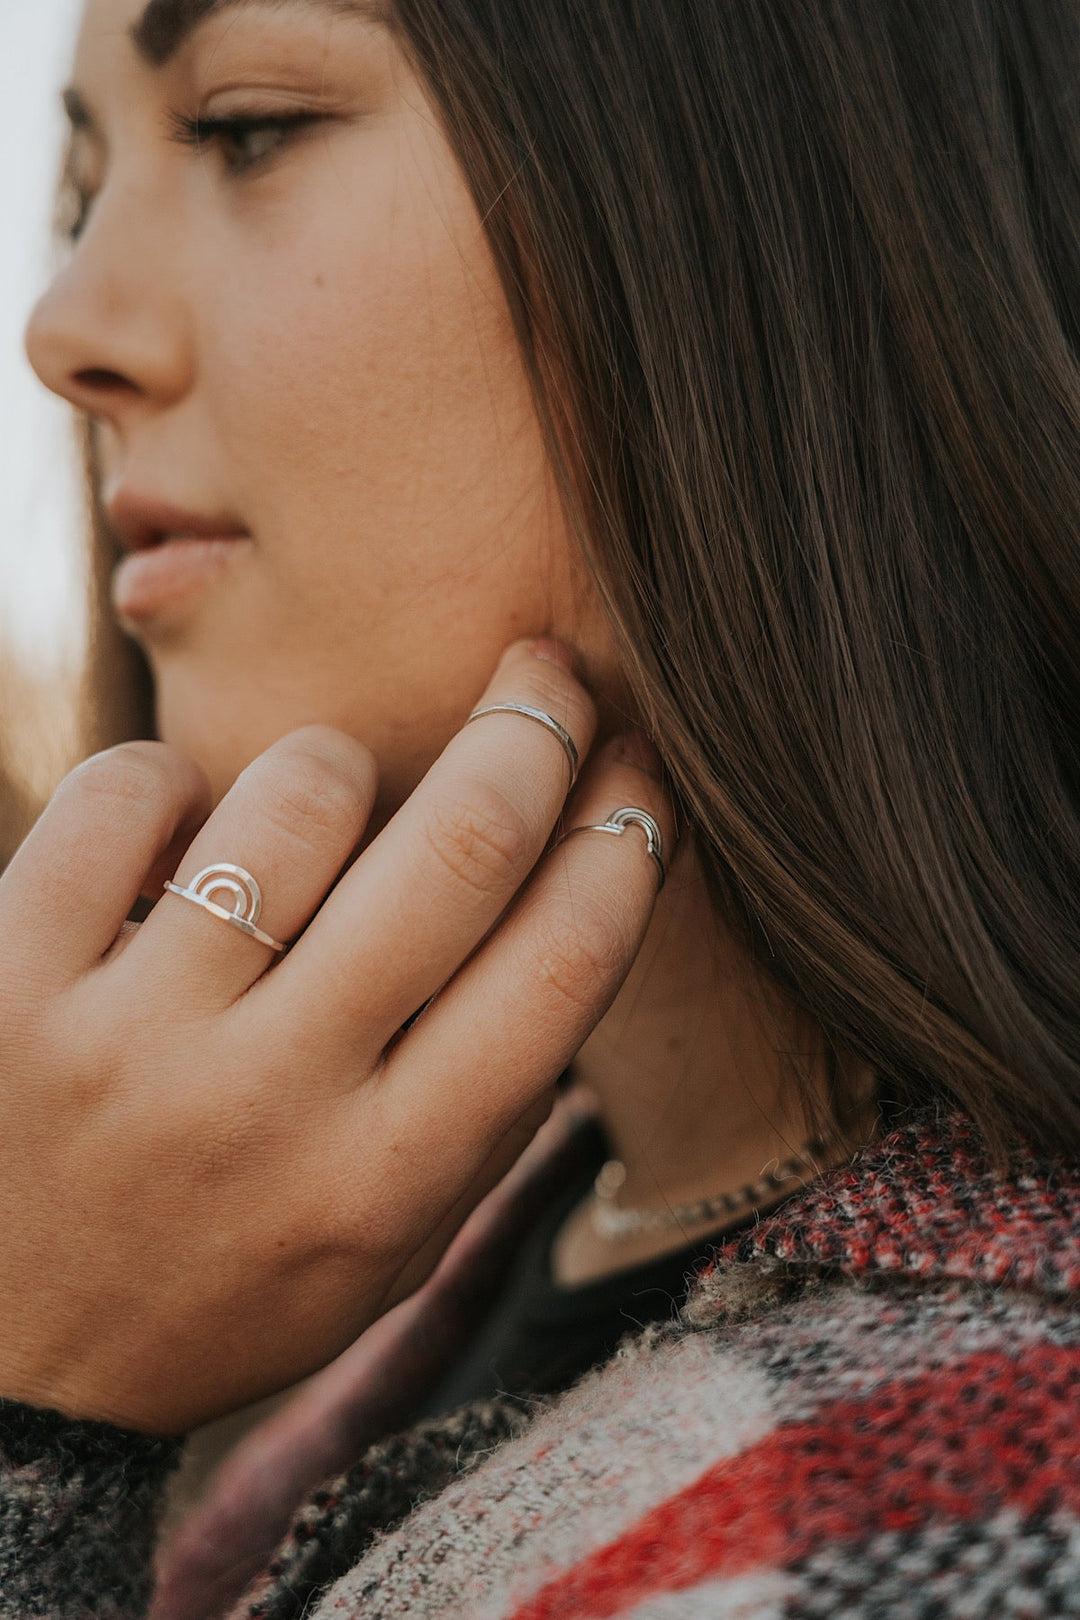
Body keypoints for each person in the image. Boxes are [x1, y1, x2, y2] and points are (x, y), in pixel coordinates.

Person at [2, 0, 1079, 1615]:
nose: (63, 327)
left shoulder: (962, 1508)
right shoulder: (423, 1242)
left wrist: (33, 1422)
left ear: (772, 188)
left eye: (246, 127)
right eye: (82, 191)